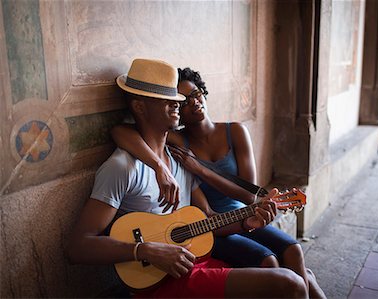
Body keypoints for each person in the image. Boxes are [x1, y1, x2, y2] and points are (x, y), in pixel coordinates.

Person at [65, 58, 309, 298]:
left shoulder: (180, 160)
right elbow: (77, 247)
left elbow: (209, 220)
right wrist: (144, 250)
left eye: (177, 99)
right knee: (291, 284)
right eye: (167, 100)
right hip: (160, 282)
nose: (177, 104)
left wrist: (247, 222)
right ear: (139, 107)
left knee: (294, 275)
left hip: (195, 264)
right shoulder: (121, 168)